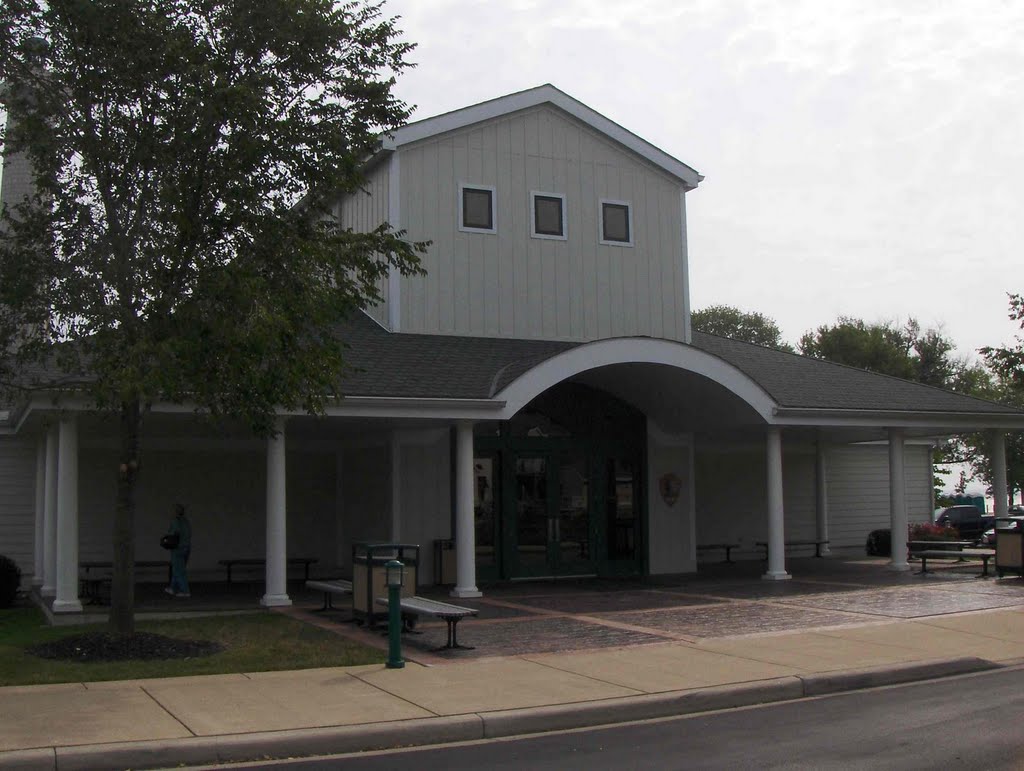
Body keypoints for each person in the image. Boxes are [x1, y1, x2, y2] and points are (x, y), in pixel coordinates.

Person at [164, 504, 192, 598]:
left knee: (179, 570)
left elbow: (174, 533)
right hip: (186, 547)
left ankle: (185, 591)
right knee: (179, 569)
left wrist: (166, 540)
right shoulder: (186, 522)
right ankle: (173, 588)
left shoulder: (176, 522)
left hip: (178, 548)